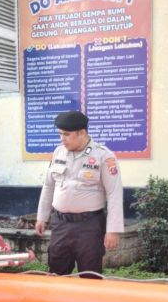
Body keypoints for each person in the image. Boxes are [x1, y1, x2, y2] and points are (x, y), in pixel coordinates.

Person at [34, 110, 123, 278]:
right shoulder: (59, 152)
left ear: (82, 132)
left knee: (90, 274)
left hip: (88, 226)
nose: (62, 139)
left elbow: (114, 193)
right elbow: (48, 186)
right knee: (56, 271)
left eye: (67, 134)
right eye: (60, 134)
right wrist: (42, 217)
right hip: (60, 223)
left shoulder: (103, 156)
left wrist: (113, 230)